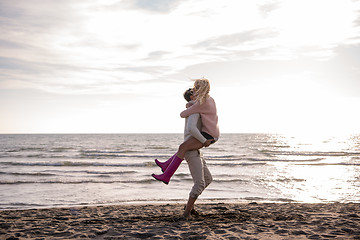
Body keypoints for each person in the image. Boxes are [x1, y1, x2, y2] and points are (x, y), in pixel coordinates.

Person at [156, 88, 214, 218]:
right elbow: (192, 129)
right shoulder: (194, 112)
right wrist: (204, 140)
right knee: (199, 183)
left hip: (196, 150)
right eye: (196, 92)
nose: (200, 94)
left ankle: (189, 206)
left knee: (208, 179)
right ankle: (187, 213)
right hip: (191, 150)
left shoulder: (195, 109)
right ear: (192, 97)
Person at [152, 78, 220, 185]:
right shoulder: (210, 100)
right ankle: (166, 166)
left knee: (183, 147)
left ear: (200, 89)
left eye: (196, 87)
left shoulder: (202, 103)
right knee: (184, 147)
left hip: (208, 135)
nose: (194, 89)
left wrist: (189, 105)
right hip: (211, 132)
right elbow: (197, 106)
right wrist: (192, 105)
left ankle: (166, 176)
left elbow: (182, 114)